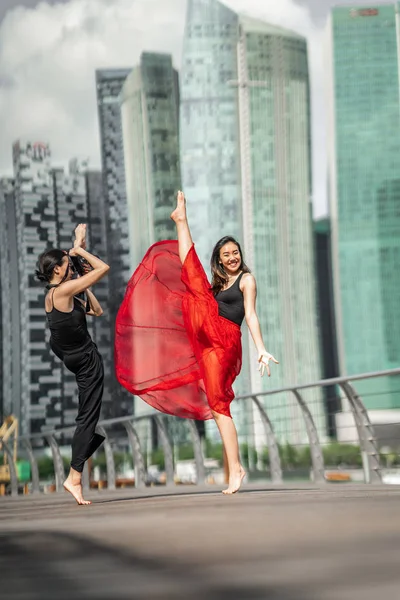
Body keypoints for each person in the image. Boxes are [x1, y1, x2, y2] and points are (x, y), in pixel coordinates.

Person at [115, 192, 278, 494]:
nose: (233, 257)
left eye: (236, 252)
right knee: (193, 283)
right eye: (227, 254)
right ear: (220, 259)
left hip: (224, 339)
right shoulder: (220, 284)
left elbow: (252, 316)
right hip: (207, 339)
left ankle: (237, 468)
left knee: (219, 405)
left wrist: (262, 348)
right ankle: (181, 220)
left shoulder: (246, 280)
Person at [36, 224, 110, 505]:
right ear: (57, 269)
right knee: (87, 419)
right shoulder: (64, 291)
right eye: (66, 264)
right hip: (87, 361)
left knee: (90, 421)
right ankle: (74, 476)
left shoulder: (56, 294)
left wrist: (82, 275)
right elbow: (103, 268)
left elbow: (97, 310)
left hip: (75, 359)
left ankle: (82, 456)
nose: (70, 267)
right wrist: (79, 249)